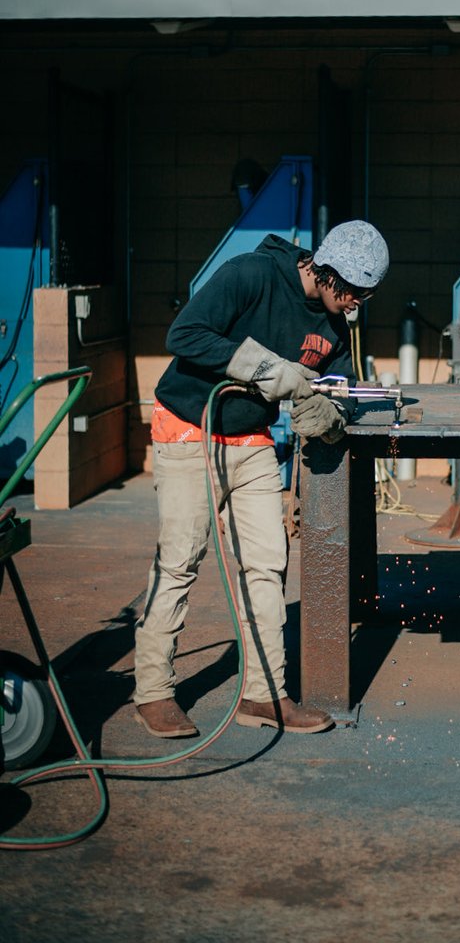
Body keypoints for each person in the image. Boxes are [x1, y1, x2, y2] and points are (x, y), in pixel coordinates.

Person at [133, 219, 389, 738]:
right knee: (181, 560)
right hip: (189, 428)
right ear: (330, 272)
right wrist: (270, 371)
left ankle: (264, 692)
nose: (357, 305)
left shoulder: (336, 324)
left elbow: (337, 383)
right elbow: (183, 335)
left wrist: (333, 412)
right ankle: (154, 692)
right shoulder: (250, 274)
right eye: (355, 293)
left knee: (268, 563)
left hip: (249, 440)